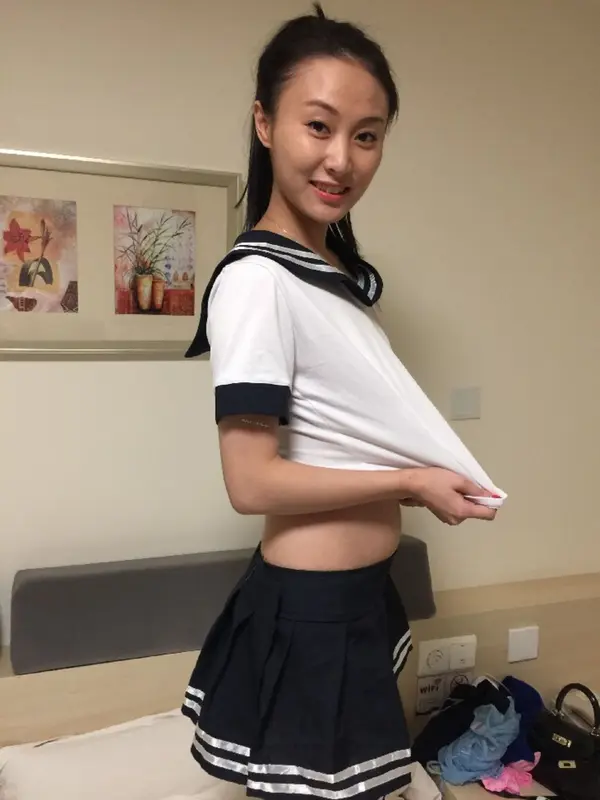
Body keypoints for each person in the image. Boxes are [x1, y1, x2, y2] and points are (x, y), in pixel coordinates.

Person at [181, 4, 504, 799]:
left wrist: (413, 481)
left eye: (367, 135)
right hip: (310, 611)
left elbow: (342, 435)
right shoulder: (257, 282)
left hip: (354, 598)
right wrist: (410, 480)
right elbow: (250, 483)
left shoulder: (332, 278)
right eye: (319, 126)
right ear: (265, 122)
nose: (341, 159)